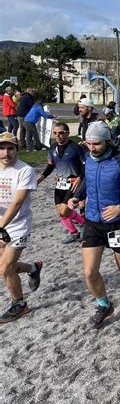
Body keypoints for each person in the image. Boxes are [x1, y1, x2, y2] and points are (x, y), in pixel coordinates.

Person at [68, 121, 120, 328]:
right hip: (93, 222)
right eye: (89, 144)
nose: (92, 148)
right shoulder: (89, 159)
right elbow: (88, 180)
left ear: (108, 141)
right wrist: (77, 197)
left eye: (97, 144)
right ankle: (104, 305)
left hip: (118, 222)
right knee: (89, 272)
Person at [0, 132, 42, 323]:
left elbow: (17, 203)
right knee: (4, 266)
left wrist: (1, 227)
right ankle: (33, 267)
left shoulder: (24, 171)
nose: (5, 153)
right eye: (1, 149)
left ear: (17, 149)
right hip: (1, 225)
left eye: (10, 148)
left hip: (17, 226)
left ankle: (19, 304)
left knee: (5, 268)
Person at [37, 122, 86, 244]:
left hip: (74, 182)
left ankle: (84, 223)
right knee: (60, 212)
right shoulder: (52, 148)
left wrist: (80, 178)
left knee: (64, 210)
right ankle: (74, 233)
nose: (57, 135)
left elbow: (86, 165)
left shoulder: (76, 148)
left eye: (61, 133)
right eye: (55, 133)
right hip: (60, 183)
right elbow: (50, 165)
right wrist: (42, 176)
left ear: (67, 133)